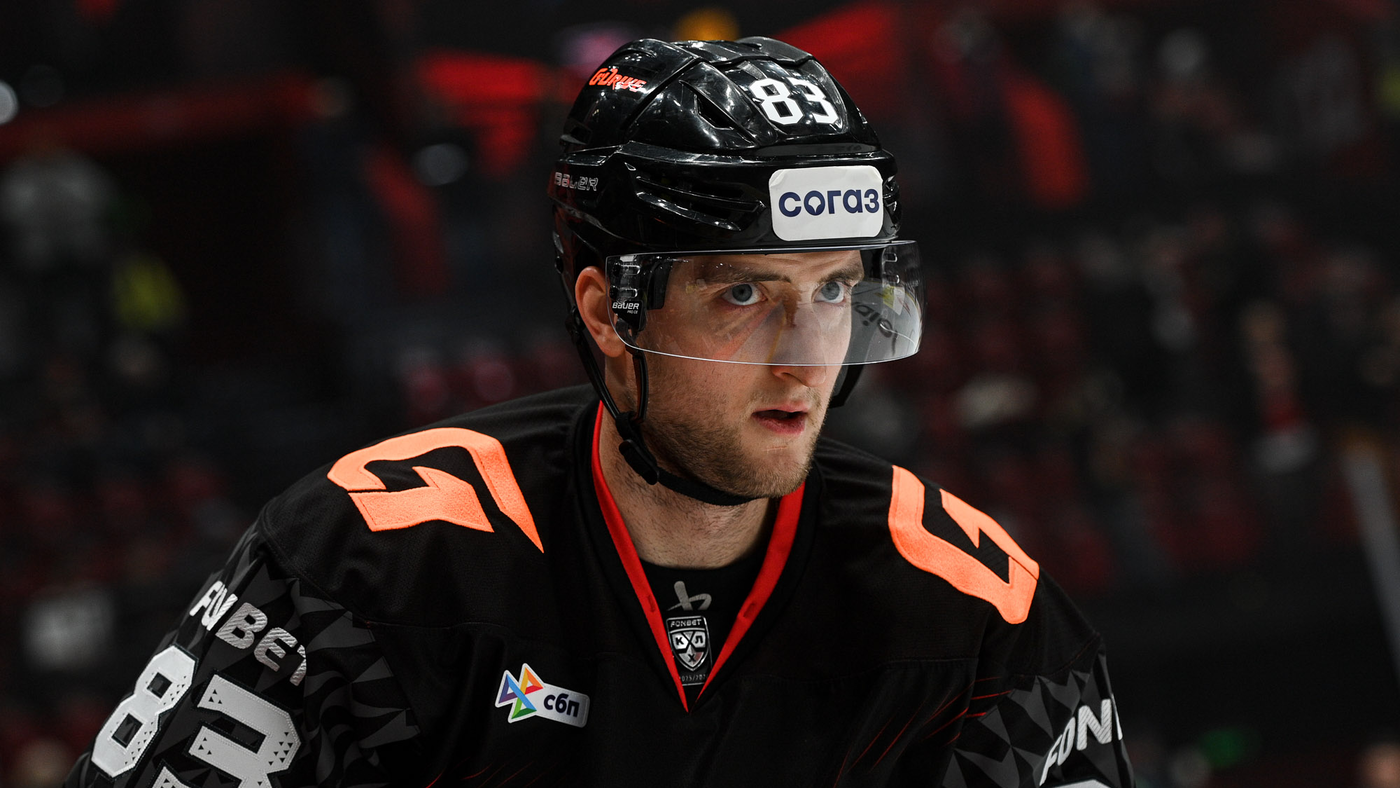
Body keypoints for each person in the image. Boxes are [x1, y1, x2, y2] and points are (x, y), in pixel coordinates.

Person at [64, 37, 1133, 787]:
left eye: (834, 291)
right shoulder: (369, 562)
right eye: (743, 292)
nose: (806, 354)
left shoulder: (972, 613)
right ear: (608, 312)